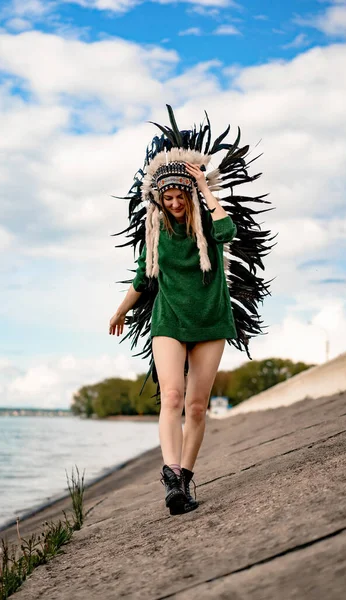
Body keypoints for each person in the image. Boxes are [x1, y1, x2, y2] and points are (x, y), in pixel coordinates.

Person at [109, 105, 273, 516]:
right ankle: (170, 475)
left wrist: (204, 187)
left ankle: (184, 478)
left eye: (181, 195)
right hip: (169, 320)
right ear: (160, 199)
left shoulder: (208, 227)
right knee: (173, 396)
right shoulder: (155, 234)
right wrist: (120, 311)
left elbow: (227, 230)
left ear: (190, 196)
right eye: (169, 196)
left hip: (211, 319)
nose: (176, 202)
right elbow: (142, 280)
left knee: (197, 407)